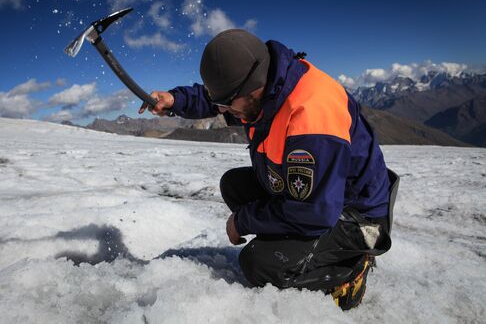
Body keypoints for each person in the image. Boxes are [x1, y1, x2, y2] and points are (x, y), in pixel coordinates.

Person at [139, 29, 398, 310]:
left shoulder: (310, 115)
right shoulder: (267, 86)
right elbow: (216, 97)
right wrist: (175, 101)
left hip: (355, 216)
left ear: (253, 90)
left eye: (227, 104)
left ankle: (348, 268)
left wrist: (243, 221)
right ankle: (295, 248)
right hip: (319, 197)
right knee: (234, 185)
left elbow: (315, 211)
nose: (223, 110)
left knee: (258, 265)